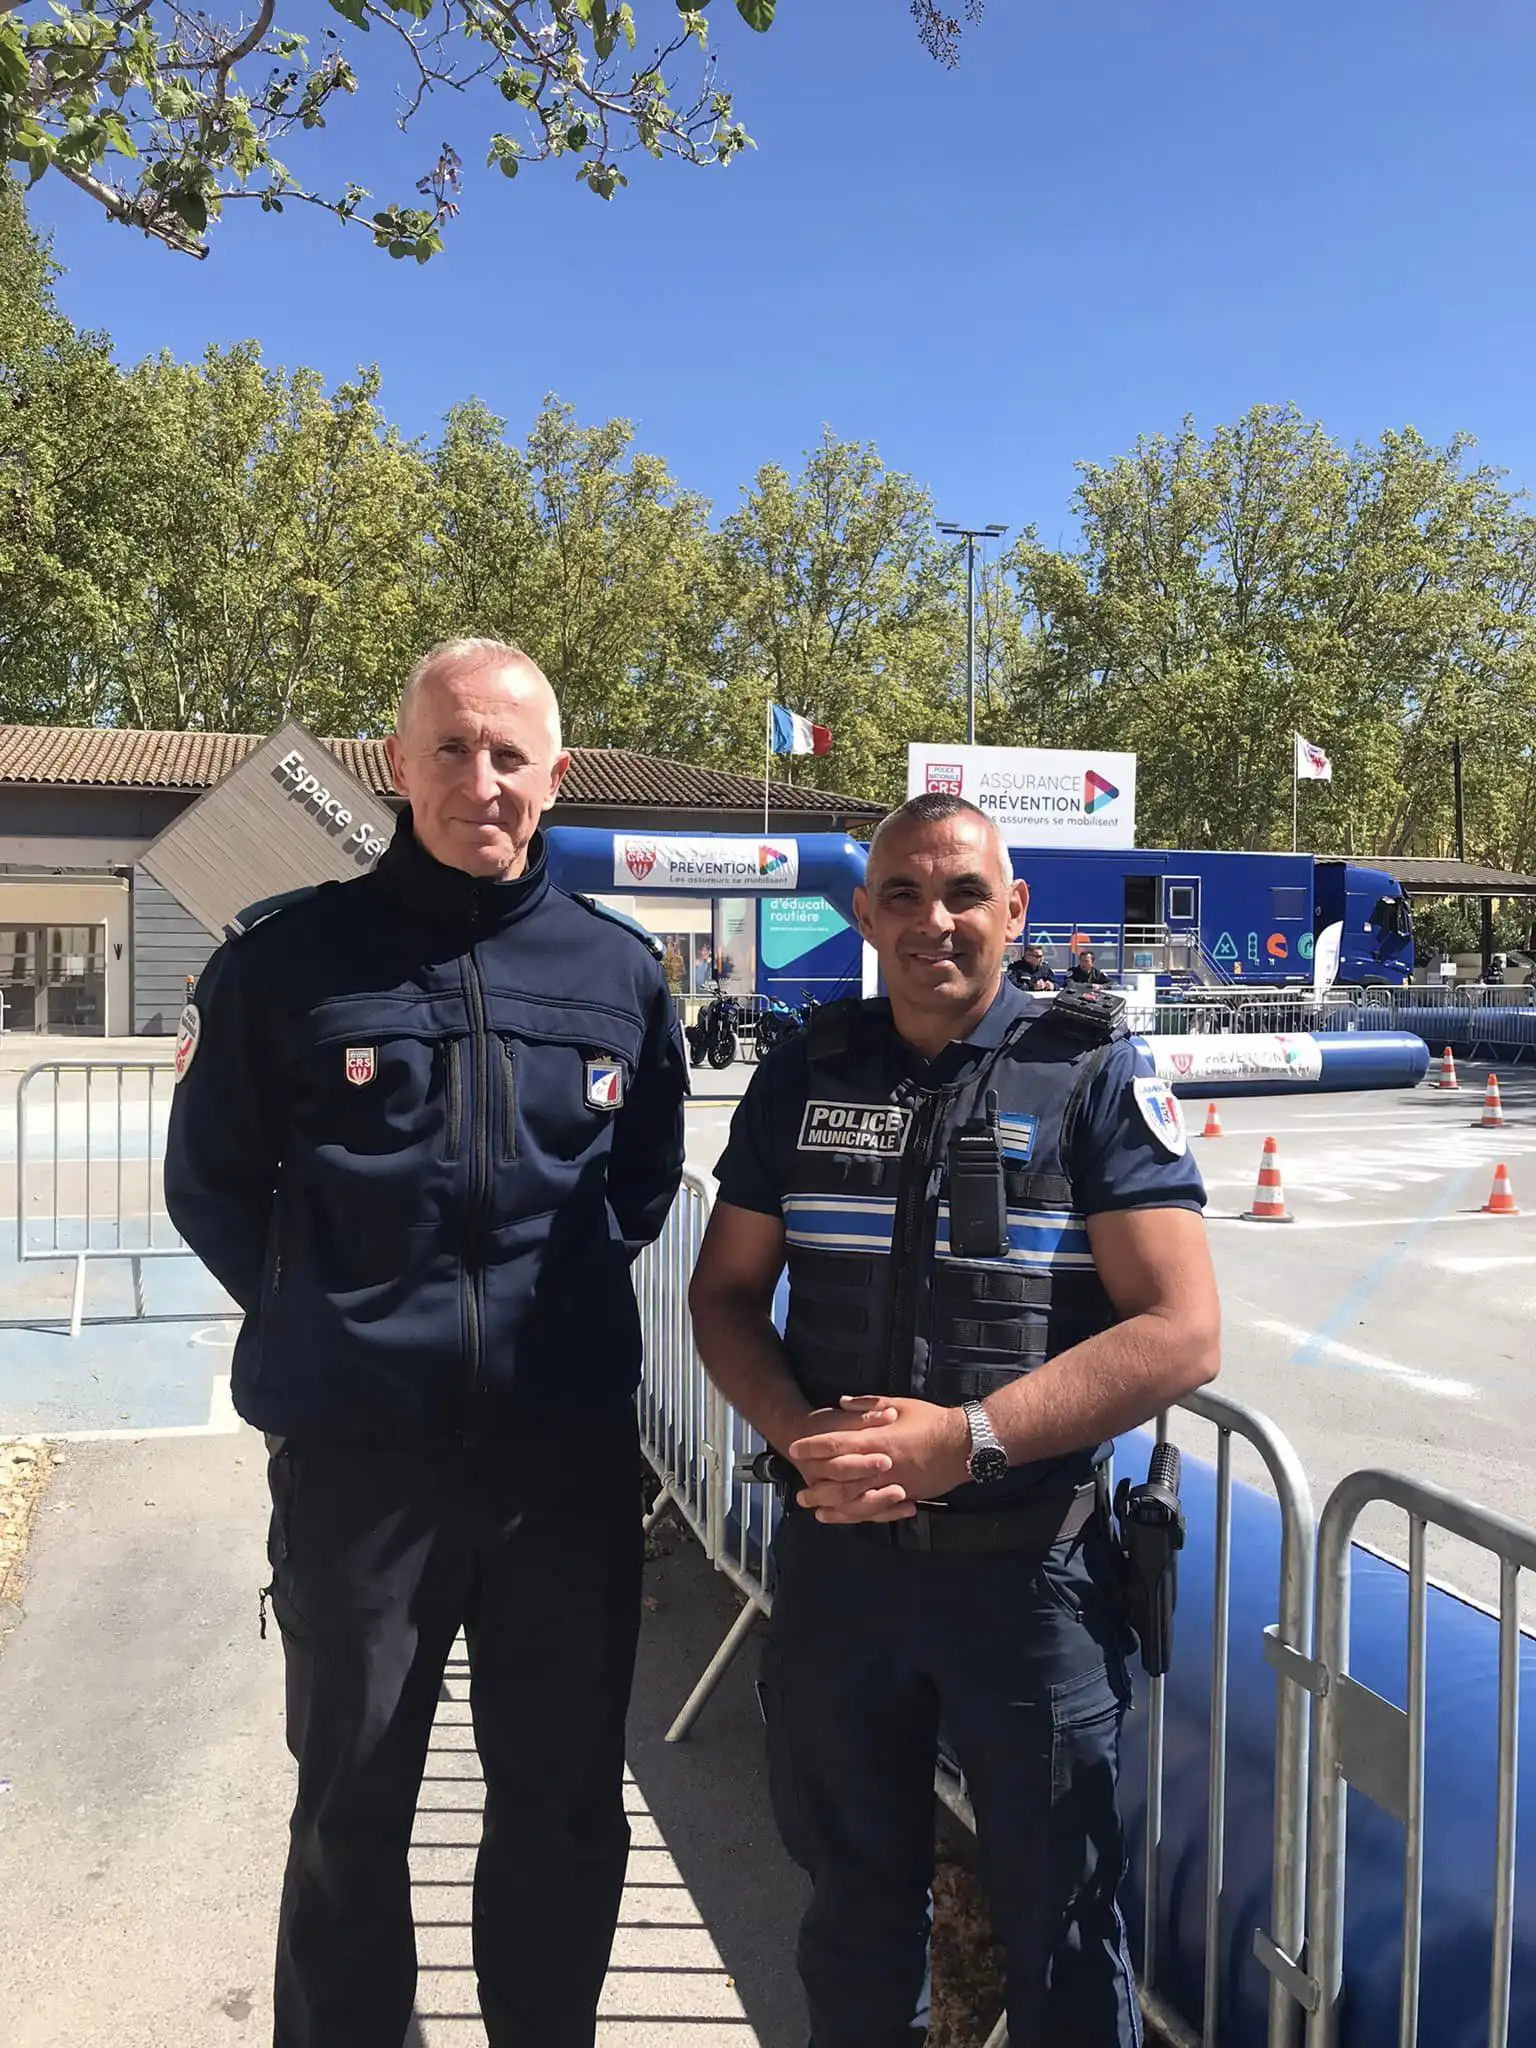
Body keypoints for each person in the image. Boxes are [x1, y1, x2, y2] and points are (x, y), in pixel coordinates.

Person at [164, 638, 688, 2048]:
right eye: (450, 748)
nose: (481, 779)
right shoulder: (286, 963)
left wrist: (542, 1326)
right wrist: (329, 1322)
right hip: (361, 1475)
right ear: (396, 765)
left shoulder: (618, 973)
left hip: (561, 1475)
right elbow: (213, 1183)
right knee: (349, 1812)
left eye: (510, 753)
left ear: (554, 775)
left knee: (561, 1810)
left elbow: (638, 1184)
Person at [687, 792, 1219, 2048]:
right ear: (864, 915)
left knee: (1068, 1939)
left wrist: (962, 1439)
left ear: (1014, 910)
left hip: (1032, 1582)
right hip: (841, 1574)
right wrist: (802, 1434)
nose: (937, 919)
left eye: (967, 892)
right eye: (906, 894)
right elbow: (722, 1294)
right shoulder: (805, 1070)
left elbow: (1182, 1329)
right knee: (852, 1918)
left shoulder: (1091, 1070)